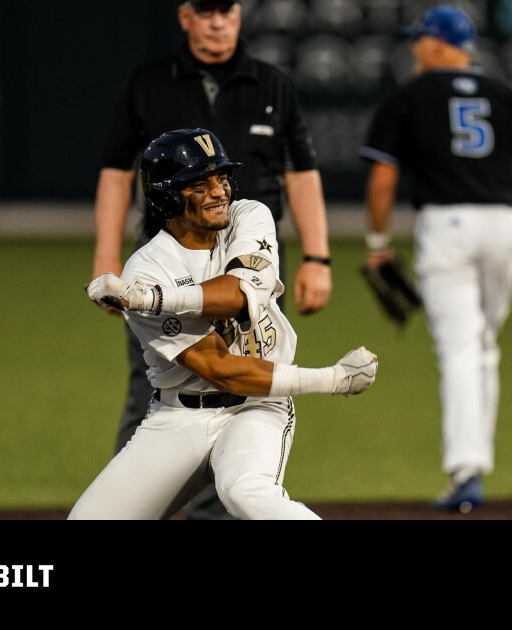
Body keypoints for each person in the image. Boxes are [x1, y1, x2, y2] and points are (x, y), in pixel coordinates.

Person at [91, 0, 333, 519]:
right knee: (154, 382)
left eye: (227, 10)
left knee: (246, 488)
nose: (218, 21)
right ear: (185, 16)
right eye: (207, 11)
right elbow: (115, 170)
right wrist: (110, 258)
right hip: (174, 412)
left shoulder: (251, 206)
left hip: (249, 267)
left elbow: (300, 176)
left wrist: (318, 255)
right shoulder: (149, 82)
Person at [70, 129, 377, 520]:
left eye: (221, 178)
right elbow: (221, 370)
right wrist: (330, 380)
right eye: (199, 184)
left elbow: (236, 294)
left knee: (246, 490)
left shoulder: (249, 217)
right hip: (179, 417)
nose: (219, 191)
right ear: (167, 197)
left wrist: (154, 299)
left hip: (257, 406)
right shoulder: (147, 269)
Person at [359, 6, 512, 513]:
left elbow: (383, 179)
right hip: (507, 227)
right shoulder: (510, 97)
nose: (414, 47)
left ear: (439, 43)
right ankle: (474, 465)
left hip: (447, 228)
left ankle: (466, 471)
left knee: (459, 348)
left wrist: (376, 242)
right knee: (482, 344)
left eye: (420, 39)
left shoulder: (409, 97)